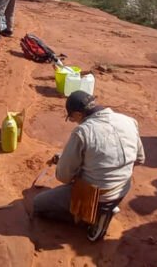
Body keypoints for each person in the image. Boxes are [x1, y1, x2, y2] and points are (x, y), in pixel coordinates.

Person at [33, 91, 145, 242]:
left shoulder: (83, 131)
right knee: (90, 173)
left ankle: (92, 218)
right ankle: (108, 208)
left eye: (72, 118)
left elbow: (63, 177)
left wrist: (69, 165)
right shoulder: (129, 121)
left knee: (39, 205)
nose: (74, 121)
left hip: (95, 196)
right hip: (122, 190)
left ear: (78, 114)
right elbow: (139, 159)